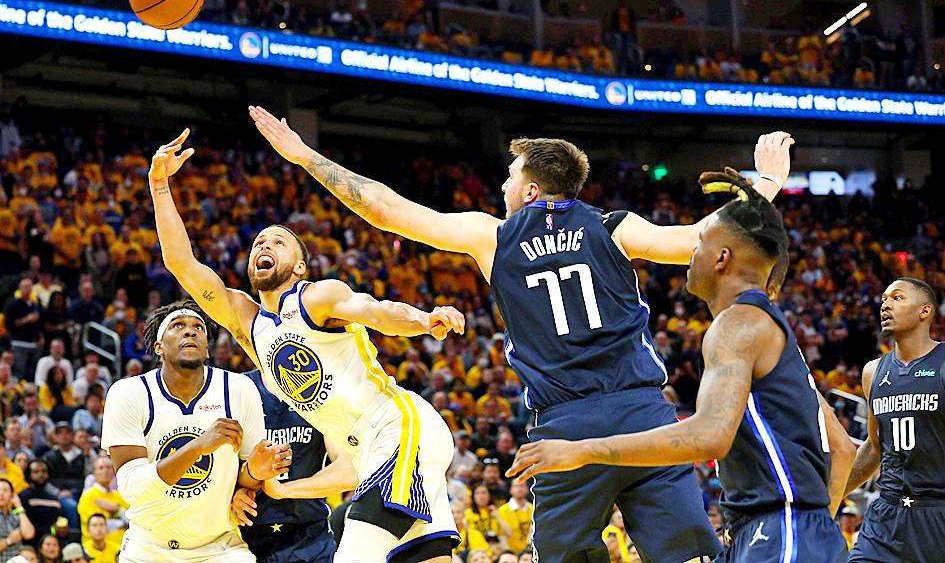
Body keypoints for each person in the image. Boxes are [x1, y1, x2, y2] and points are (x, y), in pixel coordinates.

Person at [249, 106, 792, 560]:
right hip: (644, 414)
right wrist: (766, 182)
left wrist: (304, 156)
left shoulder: (492, 236)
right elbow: (704, 239)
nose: (502, 185)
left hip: (565, 427)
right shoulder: (614, 227)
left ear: (531, 189)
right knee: (688, 555)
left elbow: (384, 209)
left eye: (509, 177)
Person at [505, 169, 855, 562]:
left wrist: (583, 450)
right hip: (782, 533)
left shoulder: (736, 326)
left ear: (722, 258)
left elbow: (710, 435)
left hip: (778, 532)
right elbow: (842, 449)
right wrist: (817, 528)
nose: (692, 250)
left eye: (700, 242)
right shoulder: (768, 330)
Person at [149, 133, 466, 563]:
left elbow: (375, 311)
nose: (264, 245)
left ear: (299, 266)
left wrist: (424, 320)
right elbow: (181, 264)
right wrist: (160, 186)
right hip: (367, 451)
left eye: (278, 242)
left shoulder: (316, 297)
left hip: (398, 427)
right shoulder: (248, 324)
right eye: (259, 243)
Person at [100, 300, 291, 562]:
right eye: (178, 326)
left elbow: (247, 478)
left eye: (198, 327)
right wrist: (198, 447)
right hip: (149, 548)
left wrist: (254, 476)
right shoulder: (128, 393)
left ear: (207, 349)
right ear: (159, 347)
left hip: (219, 546)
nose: (190, 331)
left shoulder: (239, 389)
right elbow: (133, 489)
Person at [844, 277, 945, 563]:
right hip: (886, 516)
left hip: (937, 514)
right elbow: (874, 447)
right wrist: (830, 496)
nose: (885, 305)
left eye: (897, 298)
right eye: (884, 299)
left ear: (925, 311)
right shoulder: (873, 372)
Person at [230, 368, 358, 563]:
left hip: (310, 536)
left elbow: (350, 470)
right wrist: (233, 493)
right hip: (242, 537)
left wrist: (282, 490)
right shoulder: (235, 388)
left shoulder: (323, 389)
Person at [77, 457, 126, 551]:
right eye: (101, 468)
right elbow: (97, 527)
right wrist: (122, 521)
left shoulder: (119, 496)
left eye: (108, 467)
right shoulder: (88, 496)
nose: (105, 471)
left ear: (114, 472)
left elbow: (132, 521)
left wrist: (117, 510)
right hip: (96, 551)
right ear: (94, 473)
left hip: (122, 548)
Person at [0, 477, 35, 560]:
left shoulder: (16, 516)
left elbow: (29, 534)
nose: (1, 493)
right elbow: (11, 539)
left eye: (5, 490)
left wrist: (19, 506)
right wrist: (9, 540)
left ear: (12, 495)